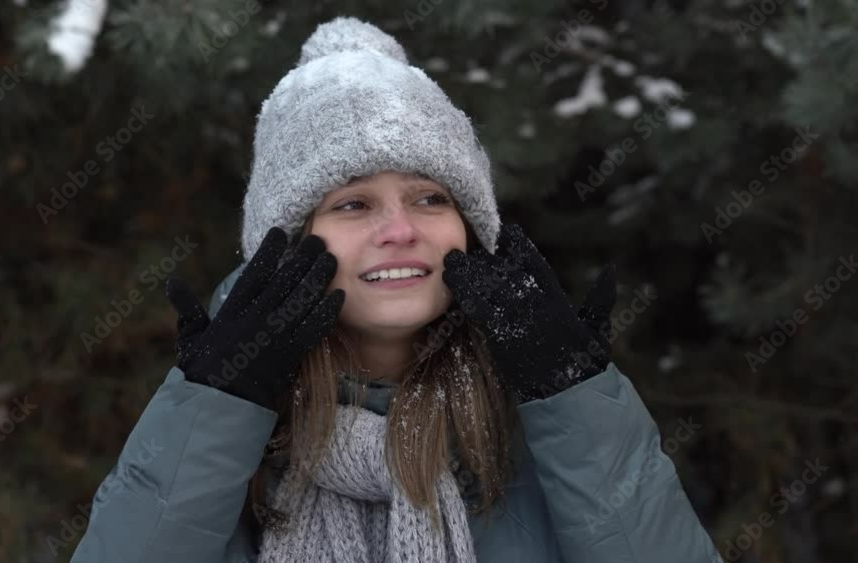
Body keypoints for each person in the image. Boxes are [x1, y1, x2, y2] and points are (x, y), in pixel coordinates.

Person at [69, 16, 720, 563]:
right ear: (288, 248)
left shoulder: (537, 429)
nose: (401, 230)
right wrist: (216, 407)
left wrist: (575, 399)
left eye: (430, 198)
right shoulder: (231, 445)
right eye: (354, 204)